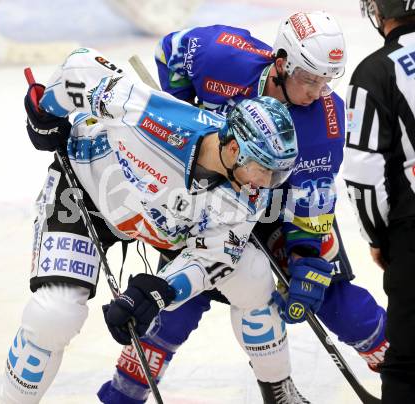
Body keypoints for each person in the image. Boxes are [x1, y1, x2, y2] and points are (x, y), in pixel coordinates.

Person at [0, 46, 334, 404]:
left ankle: (279, 391)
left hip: (167, 221)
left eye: (277, 172)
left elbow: (213, 258)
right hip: (86, 195)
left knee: (253, 277)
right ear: (234, 149)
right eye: (265, 169)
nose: (269, 183)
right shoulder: (154, 115)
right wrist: (46, 109)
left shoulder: (250, 192)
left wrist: (157, 290)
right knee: (54, 314)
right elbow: (81, 67)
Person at [98, 11, 388, 404]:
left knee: (334, 298)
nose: (318, 92)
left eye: (326, 80)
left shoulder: (328, 119)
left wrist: (305, 256)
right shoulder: (225, 56)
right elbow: (170, 51)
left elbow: (312, 199)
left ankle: (403, 369)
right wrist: (182, 112)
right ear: (281, 62)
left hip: (279, 204)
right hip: (209, 195)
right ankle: (122, 394)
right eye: (309, 78)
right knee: (183, 295)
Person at [343, 1, 415, 402]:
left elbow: (363, 176)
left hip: (411, 228)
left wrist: (379, 238)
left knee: (406, 369)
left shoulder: (375, 70)